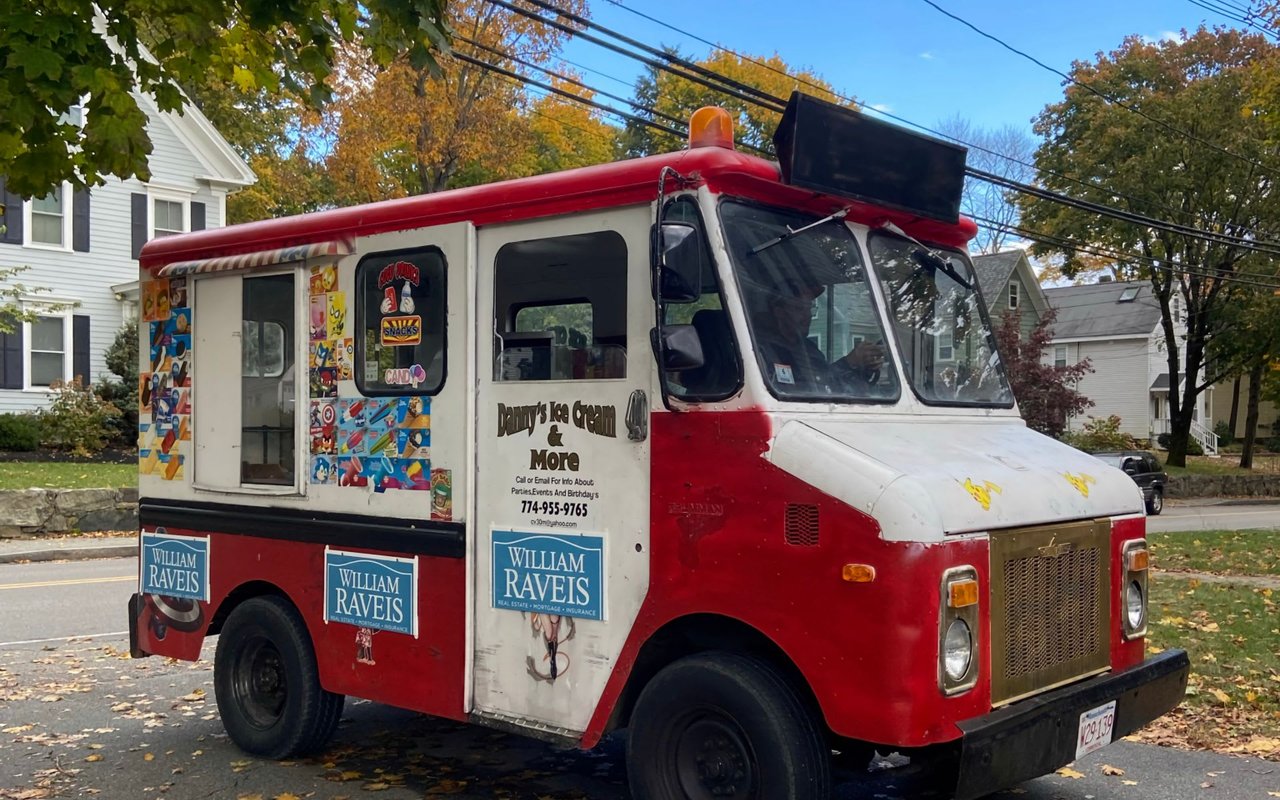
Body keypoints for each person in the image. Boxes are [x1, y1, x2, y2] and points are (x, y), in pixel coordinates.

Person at [752, 278, 886, 396]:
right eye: (800, 309)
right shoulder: (760, 350)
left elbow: (833, 386)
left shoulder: (810, 349)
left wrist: (863, 368)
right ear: (779, 312)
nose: (808, 316)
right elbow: (801, 392)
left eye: (809, 309)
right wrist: (849, 362)